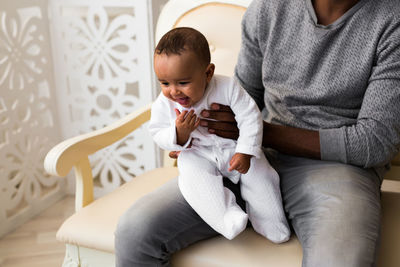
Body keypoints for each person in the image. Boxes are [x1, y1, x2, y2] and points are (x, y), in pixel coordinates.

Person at [115, 0, 400, 266]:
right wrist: (191, 134)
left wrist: (257, 134)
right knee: (135, 231)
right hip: (249, 155)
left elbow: (374, 143)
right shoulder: (268, 8)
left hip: (337, 168)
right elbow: (241, 98)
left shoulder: (392, 20)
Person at [147, 27, 290, 242]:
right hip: (198, 152)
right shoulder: (165, 103)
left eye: (183, 83)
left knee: (262, 177)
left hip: (233, 147)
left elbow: (250, 116)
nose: (173, 91)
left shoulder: (228, 87)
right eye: (165, 83)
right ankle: (227, 218)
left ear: (208, 73)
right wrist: (178, 135)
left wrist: (245, 151)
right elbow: (157, 131)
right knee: (193, 182)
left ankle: (271, 222)